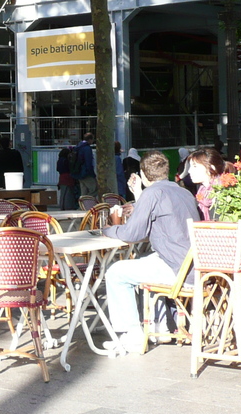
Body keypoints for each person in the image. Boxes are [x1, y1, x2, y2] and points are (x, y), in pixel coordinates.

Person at [102, 149, 201, 352]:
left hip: (176, 269)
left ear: (143, 174)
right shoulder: (183, 191)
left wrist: (108, 230)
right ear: (166, 171)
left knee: (116, 272)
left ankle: (132, 334)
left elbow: (132, 234)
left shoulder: (152, 193)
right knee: (146, 260)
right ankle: (160, 327)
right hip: (194, 266)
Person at [186, 147, 228, 220]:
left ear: (211, 168)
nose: (189, 171)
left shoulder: (224, 192)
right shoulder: (202, 191)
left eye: (195, 166)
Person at [56, 145, 78, 210]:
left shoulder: (59, 161)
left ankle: (62, 206)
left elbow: (57, 169)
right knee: (68, 193)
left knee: (63, 193)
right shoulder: (66, 161)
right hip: (68, 178)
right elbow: (70, 168)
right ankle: (68, 206)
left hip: (61, 177)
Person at [73, 132, 96, 197]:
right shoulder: (87, 148)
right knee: (94, 190)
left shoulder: (78, 147)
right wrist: (92, 174)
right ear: (90, 139)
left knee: (84, 191)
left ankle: (82, 206)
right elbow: (88, 162)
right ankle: (88, 204)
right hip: (86, 173)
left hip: (79, 172)